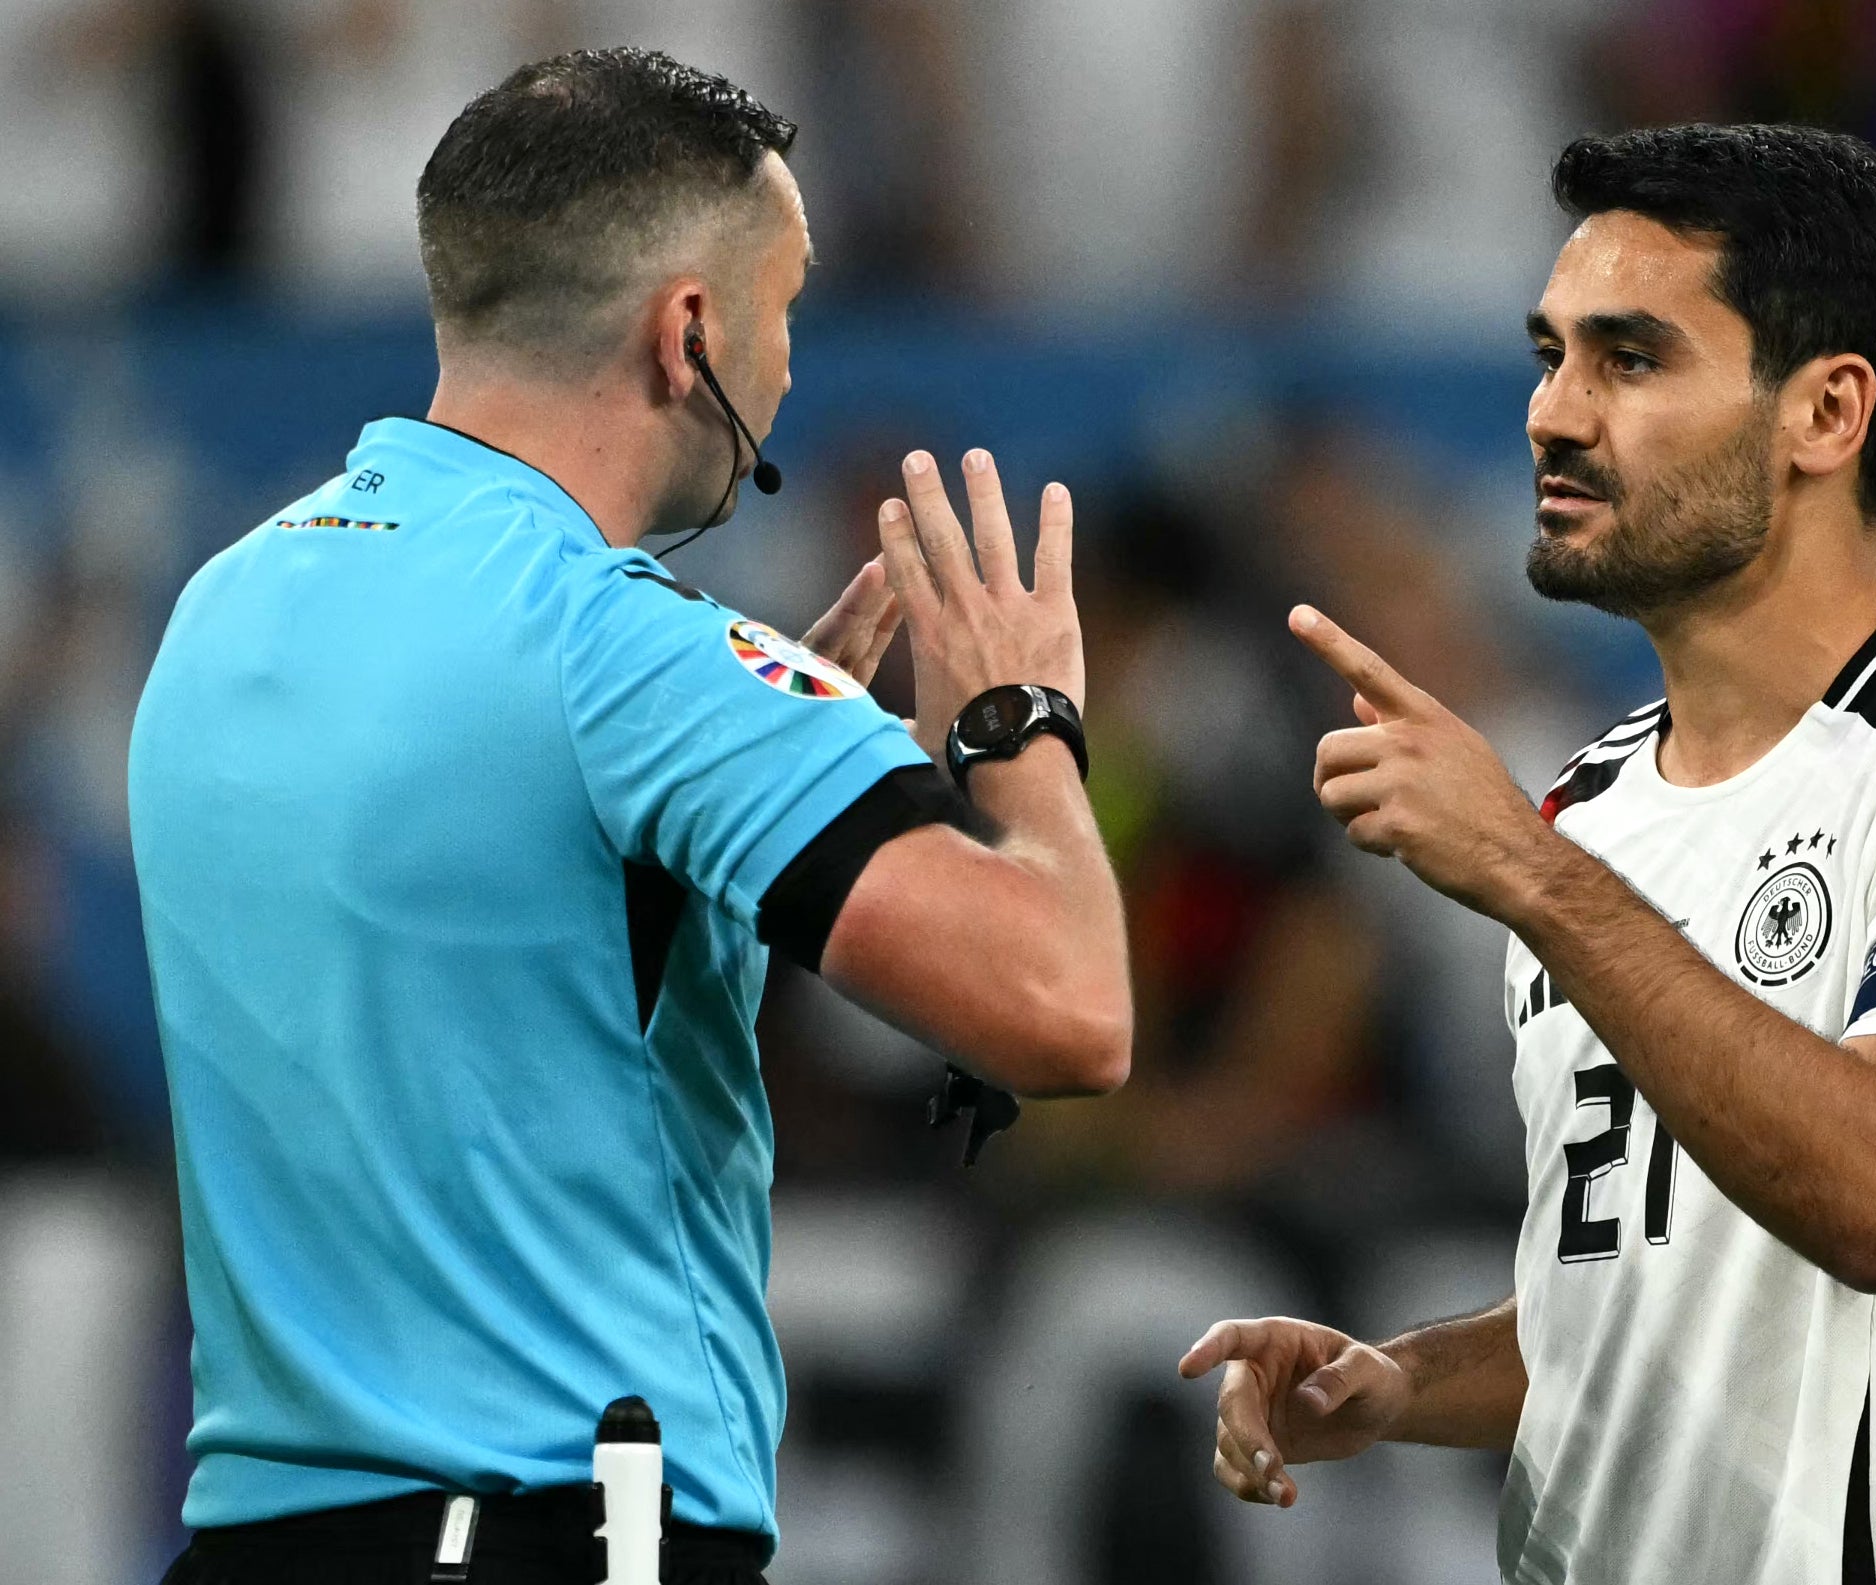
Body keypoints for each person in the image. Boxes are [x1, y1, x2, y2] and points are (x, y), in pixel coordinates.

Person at [129, 48, 1129, 1584]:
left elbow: (488, 966)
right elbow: (1065, 1015)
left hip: (250, 1543)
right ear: (688, 330)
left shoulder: (221, 606)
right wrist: (1016, 722)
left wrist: (762, 784)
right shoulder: (625, 651)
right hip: (557, 1536)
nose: (788, 362)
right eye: (783, 308)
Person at [1181, 123, 1876, 1584]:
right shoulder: (1587, 808)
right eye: (1548, 354)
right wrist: (1399, 1381)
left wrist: (1529, 873)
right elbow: (1657, 1289)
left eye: (1628, 360)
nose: (1551, 415)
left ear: (1824, 414)